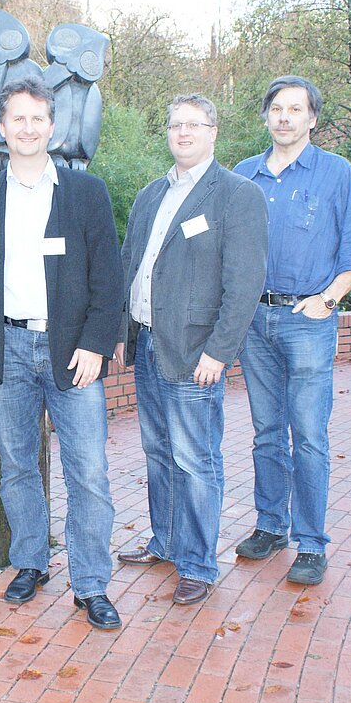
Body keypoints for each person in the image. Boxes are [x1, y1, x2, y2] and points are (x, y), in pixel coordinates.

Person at [0, 76, 124, 630]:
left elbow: (109, 279)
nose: (28, 128)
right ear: (2, 129)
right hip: (6, 349)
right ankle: (30, 561)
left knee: (88, 471)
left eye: (37, 119)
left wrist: (96, 343)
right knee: (19, 465)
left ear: (52, 127)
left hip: (73, 352)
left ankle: (91, 583)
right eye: (17, 119)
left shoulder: (86, 194)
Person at [115, 94, 268, 605]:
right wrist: (120, 332)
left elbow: (244, 285)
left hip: (195, 352)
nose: (183, 132)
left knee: (195, 459)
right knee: (159, 452)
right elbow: (131, 264)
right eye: (175, 124)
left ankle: (198, 563)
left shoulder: (237, 195)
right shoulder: (151, 195)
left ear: (213, 132)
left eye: (194, 124)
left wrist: (219, 352)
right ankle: (165, 540)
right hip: (148, 344)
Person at [232, 76, 351, 585]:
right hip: (254, 321)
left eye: (295, 109)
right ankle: (270, 525)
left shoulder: (336, 174)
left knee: (309, 435)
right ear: (265, 116)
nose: (284, 117)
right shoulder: (244, 177)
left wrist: (328, 300)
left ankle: (312, 543)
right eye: (276, 108)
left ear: (312, 119)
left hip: (308, 322)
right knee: (266, 432)